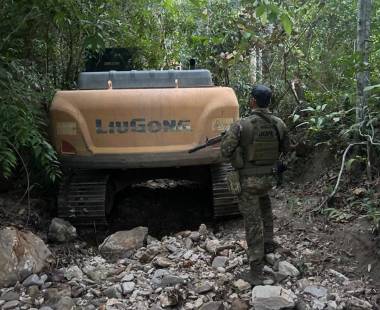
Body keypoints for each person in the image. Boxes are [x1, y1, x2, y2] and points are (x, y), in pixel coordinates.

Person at [220, 84, 289, 284]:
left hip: (249, 182)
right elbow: (286, 148)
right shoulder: (279, 123)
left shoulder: (241, 125)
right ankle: (269, 245)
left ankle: (256, 271)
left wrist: (230, 140)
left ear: (252, 101)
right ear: (269, 102)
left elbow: (225, 152)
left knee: (252, 223)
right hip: (269, 180)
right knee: (265, 206)